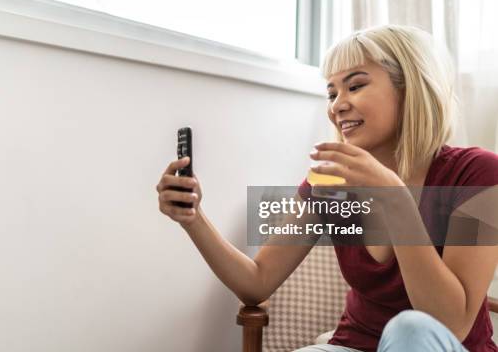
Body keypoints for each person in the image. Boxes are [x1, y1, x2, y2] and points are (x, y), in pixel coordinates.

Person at [155, 25, 498, 351]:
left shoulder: (478, 174)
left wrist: (395, 200)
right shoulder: (331, 186)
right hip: (353, 346)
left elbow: (449, 324)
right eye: (332, 92)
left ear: (410, 88)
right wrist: (193, 218)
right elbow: (256, 283)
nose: (337, 105)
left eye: (356, 86)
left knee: (410, 329)